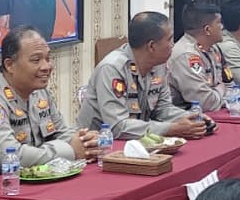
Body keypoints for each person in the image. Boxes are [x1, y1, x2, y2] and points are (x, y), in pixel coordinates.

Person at [0, 25, 98, 176]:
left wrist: (84, 142)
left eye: (48, 58)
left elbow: (60, 132)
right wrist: (71, 151)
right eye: (36, 60)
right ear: (9, 65)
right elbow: (13, 158)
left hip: (20, 184)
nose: (46, 66)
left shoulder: (39, 92)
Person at [77, 12, 207, 140]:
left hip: (140, 140)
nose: (172, 45)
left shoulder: (158, 64)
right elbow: (118, 126)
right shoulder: (112, 69)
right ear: (151, 46)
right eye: (169, 39)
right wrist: (170, 129)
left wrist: (192, 118)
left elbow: (163, 109)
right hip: (100, 145)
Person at [167, 0, 233, 110]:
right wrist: (221, 89)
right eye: (219, 22)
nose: (222, 26)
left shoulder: (214, 49)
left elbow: (231, 86)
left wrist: (221, 93)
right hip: (187, 116)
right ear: (207, 29)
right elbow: (205, 103)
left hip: (214, 111)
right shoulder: (186, 55)